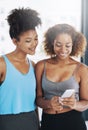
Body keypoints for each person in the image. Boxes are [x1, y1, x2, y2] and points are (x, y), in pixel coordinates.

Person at [35, 23, 88, 130]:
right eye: (58, 45)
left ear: (74, 44)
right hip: (48, 122)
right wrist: (49, 103)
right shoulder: (41, 66)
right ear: (52, 43)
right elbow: (38, 99)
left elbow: (86, 102)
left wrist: (75, 104)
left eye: (67, 45)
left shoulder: (82, 69)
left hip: (73, 122)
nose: (63, 50)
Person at [0, 7, 41, 130]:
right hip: (6, 123)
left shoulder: (33, 66)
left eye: (36, 38)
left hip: (31, 122)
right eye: (28, 41)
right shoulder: (2, 64)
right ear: (15, 41)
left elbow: (35, 101)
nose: (34, 44)